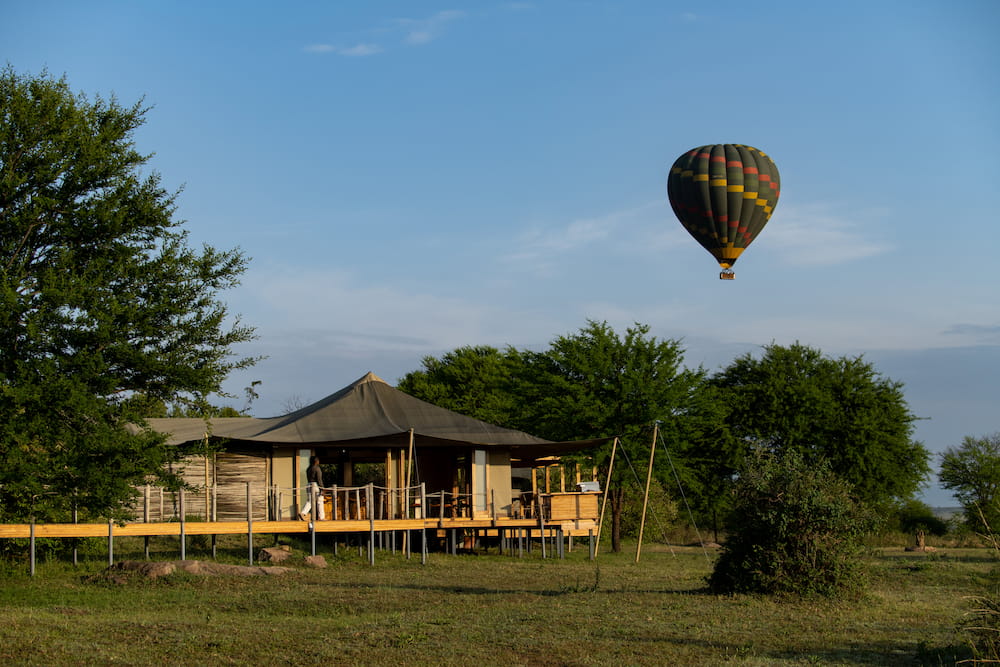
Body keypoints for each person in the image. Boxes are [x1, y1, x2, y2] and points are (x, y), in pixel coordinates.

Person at [306, 455, 326, 520]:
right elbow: (319, 479)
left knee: (310, 500)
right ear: (316, 461)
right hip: (315, 485)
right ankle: (321, 517)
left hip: (309, 484)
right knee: (320, 501)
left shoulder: (308, 469)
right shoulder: (317, 468)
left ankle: (303, 512)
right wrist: (322, 488)